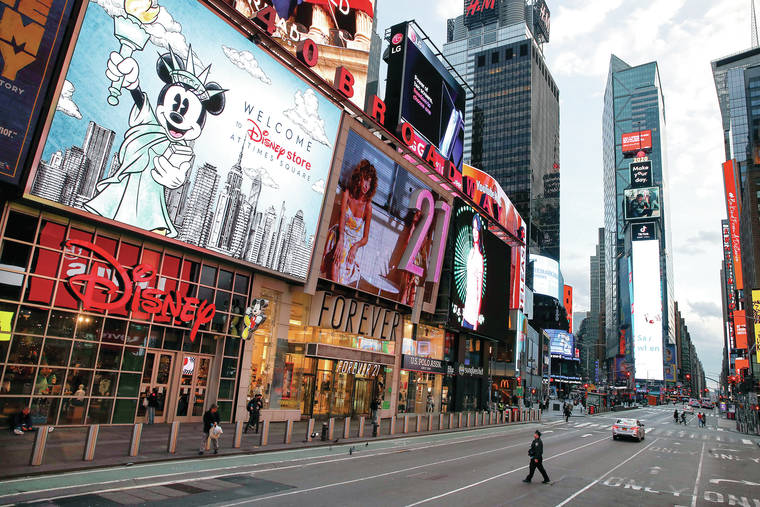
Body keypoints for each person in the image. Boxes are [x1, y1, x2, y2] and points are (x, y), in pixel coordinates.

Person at [322, 159, 377, 285]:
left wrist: (355, 246)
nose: (366, 185)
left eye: (370, 183)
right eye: (365, 180)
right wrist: (341, 240)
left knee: (342, 271)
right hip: (339, 236)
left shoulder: (368, 207)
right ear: (359, 178)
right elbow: (341, 218)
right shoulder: (347, 194)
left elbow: (365, 238)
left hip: (351, 246)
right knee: (338, 254)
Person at [461, 215, 485, 330]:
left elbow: (479, 292)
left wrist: (476, 321)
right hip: (465, 313)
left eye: (477, 229)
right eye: (473, 228)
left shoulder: (480, 258)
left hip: (472, 317)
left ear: (480, 231)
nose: (475, 232)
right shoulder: (470, 252)